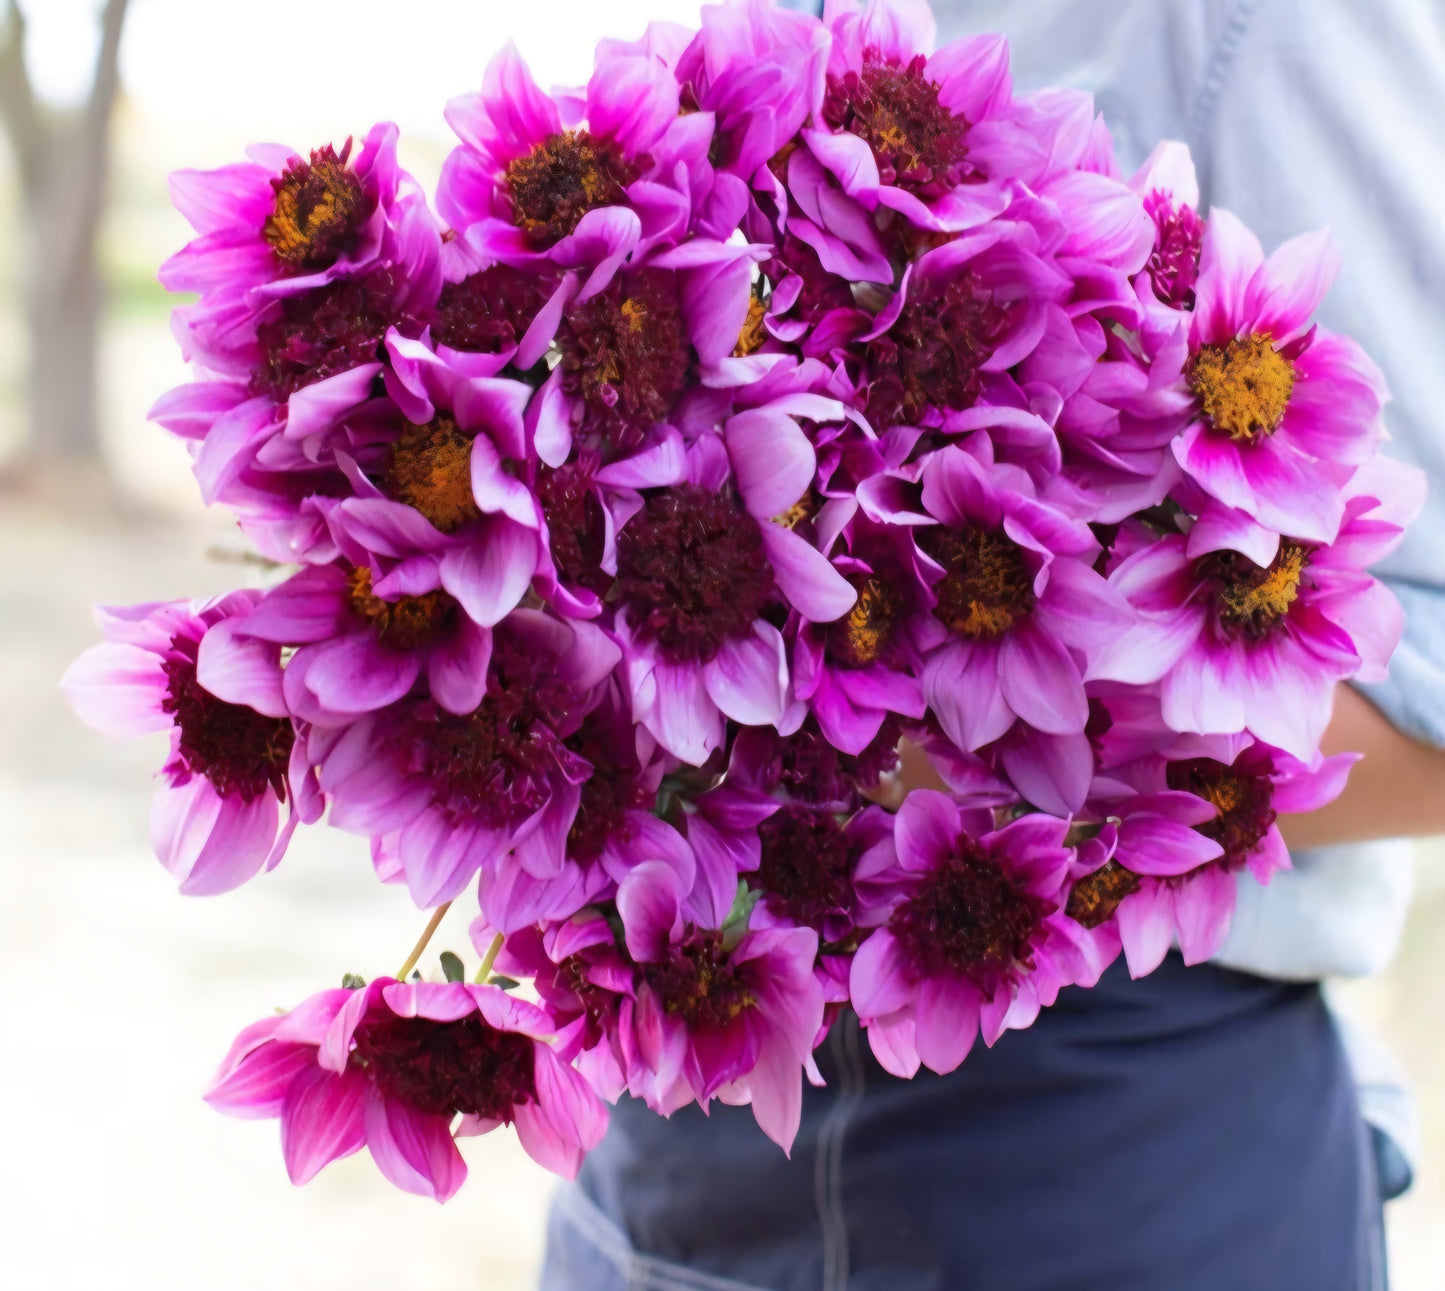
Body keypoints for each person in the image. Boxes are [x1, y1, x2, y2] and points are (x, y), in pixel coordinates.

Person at [540, 2, 1445, 1287]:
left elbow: (1432, 701)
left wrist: (917, 762)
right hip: (679, 1086)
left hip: (1101, 1132)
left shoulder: (1278, 25)